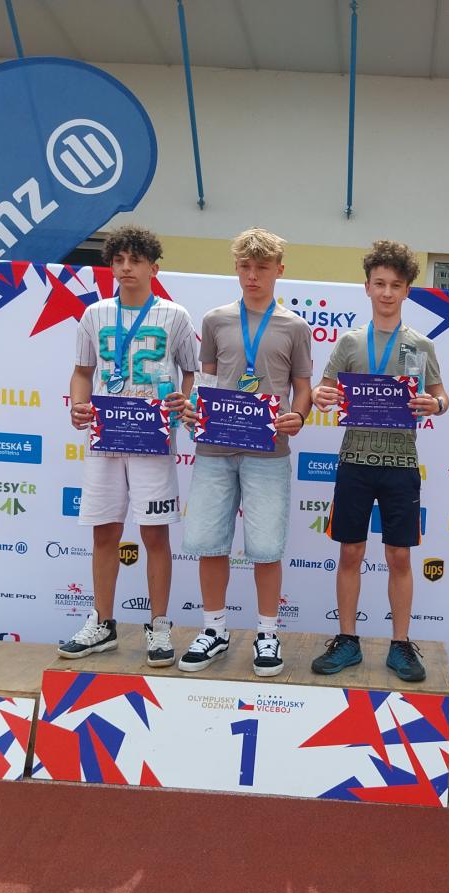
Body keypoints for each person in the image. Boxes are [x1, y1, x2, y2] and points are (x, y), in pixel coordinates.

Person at [309, 240, 449, 682]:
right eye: (380, 284)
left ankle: (400, 644)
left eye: (396, 285)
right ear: (367, 287)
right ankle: (347, 640)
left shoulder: (421, 345)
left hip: (401, 464)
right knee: (350, 551)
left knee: (399, 556)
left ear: (407, 290)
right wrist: (321, 395)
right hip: (354, 461)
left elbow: (442, 396)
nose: (387, 292)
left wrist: (435, 404)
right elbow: (321, 389)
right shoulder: (350, 342)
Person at [176, 228, 313, 677]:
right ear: (236, 268)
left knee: (267, 548)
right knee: (208, 542)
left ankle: (267, 634)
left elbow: (303, 387)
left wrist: (299, 415)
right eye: (245, 267)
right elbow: (206, 379)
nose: (252, 276)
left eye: (262, 268)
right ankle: (214, 630)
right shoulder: (215, 320)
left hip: (269, 451)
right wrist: (194, 407)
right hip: (215, 448)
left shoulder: (295, 327)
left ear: (279, 271)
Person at [60, 225, 198, 667]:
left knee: (155, 533)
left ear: (153, 268)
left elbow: (192, 371)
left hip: (152, 438)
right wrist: (78, 405)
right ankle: (102, 622)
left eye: (135, 260)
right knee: (105, 531)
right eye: (118, 260)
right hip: (105, 438)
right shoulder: (95, 314)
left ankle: (159, 624)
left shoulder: (175, 315)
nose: (125, 268)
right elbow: (83, 371)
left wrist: (185, 400)